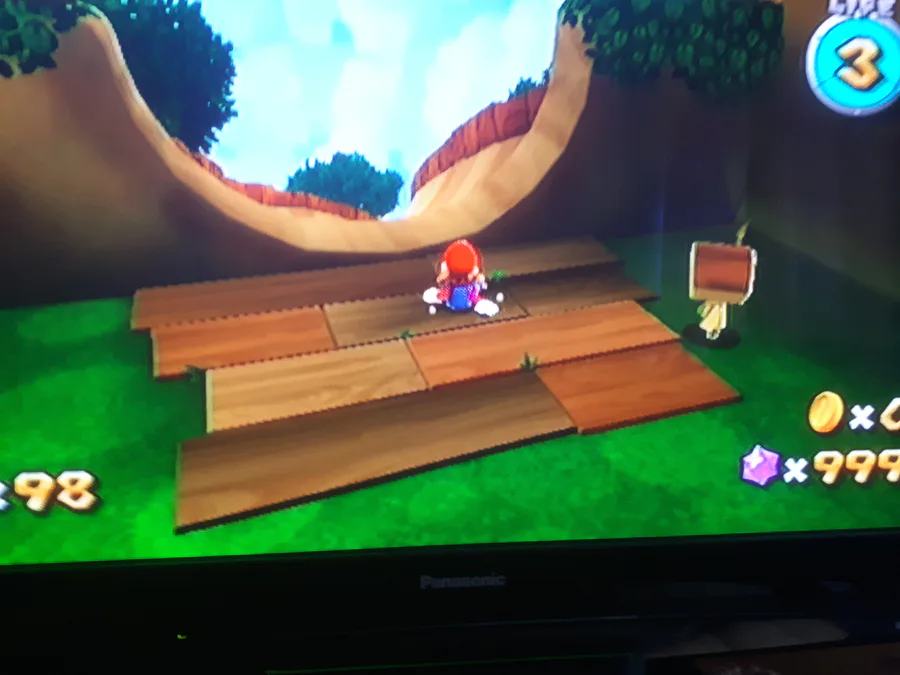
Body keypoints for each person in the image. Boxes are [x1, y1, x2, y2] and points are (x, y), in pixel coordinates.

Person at [422, 239, 501, 317]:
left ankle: (485, 303)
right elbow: (441, 288)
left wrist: (480, 282)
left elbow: (479, 286)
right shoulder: (449, 285)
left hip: (469, 301)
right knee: (432, 295)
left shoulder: (472, 284)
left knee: (479, 293)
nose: (460, 280)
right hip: (451, 303)